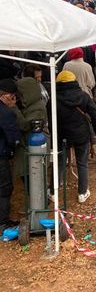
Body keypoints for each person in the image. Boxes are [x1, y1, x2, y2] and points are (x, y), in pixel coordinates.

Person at [55, 71, 96, 203]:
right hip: (82, 134)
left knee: (60, 163)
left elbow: (50, 118)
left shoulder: (54, 98)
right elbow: (95, 115)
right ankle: (82, 192)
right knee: (82, 163)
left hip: (62, 135)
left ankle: (54, 191)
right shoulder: (83, 95)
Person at [0, 79, 21, 230]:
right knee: (5, 187)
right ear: (6, 96)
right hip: (1, 155)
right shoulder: (6, 112)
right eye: (13, 97)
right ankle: (3, 221)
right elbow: (13, 136)